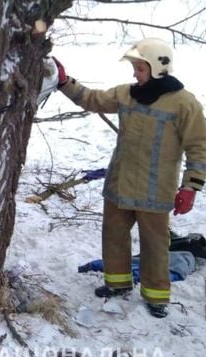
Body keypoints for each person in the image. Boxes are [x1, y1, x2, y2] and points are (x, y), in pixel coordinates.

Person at [53, 38, 206, 318]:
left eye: (140, 68)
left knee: (155, 246)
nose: (135, 73)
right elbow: (92, 99)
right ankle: (118, 284)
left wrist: (191, 186)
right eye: (135, 67)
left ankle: (156, 296)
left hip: (155, 190)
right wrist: (65, 82)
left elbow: (199, 146)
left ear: (158, 68)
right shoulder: (126, 94)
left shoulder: (185, 104)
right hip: (119, 185)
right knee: (113, 237)